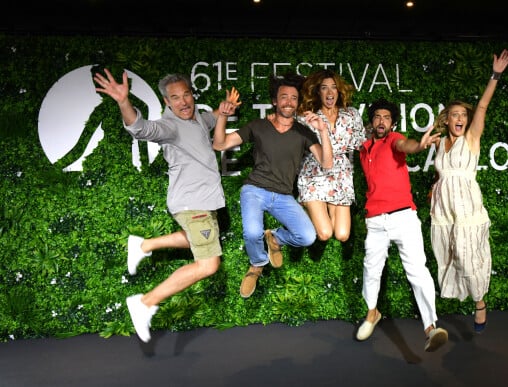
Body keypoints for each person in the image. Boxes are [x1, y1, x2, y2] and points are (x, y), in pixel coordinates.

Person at [93, 69, 241, 342]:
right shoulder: (169, 126)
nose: (184, 102)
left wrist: (223, 110)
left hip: (203, 202)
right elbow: (141, 128)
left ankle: (144, 245)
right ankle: (146, 302)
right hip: (192, 203)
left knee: (196, 241)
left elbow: (211, 118)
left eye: (187, 95)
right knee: (208, 265)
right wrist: (124, 102)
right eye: (176, 98)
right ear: (166, 102)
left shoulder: (197, 118)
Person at [212, 72, 333, 298]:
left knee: (307, 236)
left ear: (297, 103)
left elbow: (327, 163)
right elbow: (220, 145)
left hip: (284, 196)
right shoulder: (258, 126)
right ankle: (257, 263)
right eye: (284, 97)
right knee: (251, 233)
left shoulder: (303, 132)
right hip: (255, 190)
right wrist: (222, 116)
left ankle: (275, 237)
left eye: (293, 98)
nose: (289, 102)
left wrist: (323, 131)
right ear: (275, 101)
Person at [430, 49, 508, 334]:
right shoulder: (441, 143)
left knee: (468, 255)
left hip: (467, 208)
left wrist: (495, 75)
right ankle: (457, 296)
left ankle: (479, 303)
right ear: (447, 119)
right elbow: (443, 174)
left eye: (463, 114)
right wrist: (434, 189)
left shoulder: (472, 138)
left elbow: (482, 107)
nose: (460, 118)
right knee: (447, 253)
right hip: (443, 209)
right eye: (455, 115)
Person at [357, 98, 448, 352]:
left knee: (417, 271)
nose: (381, 121)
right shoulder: (364, 150)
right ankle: (372, 312)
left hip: (403, 217)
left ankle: (431, 328)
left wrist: (419, 144)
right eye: (377, 117)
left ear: (392, 123)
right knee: (371, 269)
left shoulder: (394, 140)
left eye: (386, 117)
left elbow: (406, 145)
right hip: (375, 220)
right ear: (371, 121)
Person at [296, 69, 366, 243]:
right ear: (317, 92)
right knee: (325, 233)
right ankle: (304, 205)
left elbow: (361, 142)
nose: (329, 92)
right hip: (315, 173)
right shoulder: (307, 117)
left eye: (333, 88)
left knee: (342, 235)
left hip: (341, 175)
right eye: (324, 88)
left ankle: (308, 207)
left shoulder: (351, 114)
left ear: (339, 91)